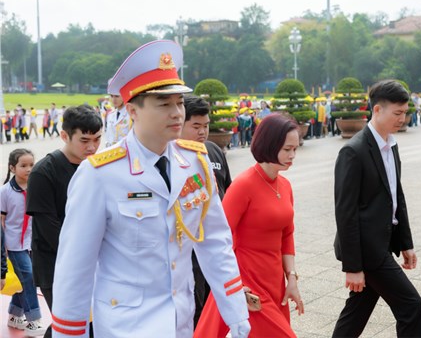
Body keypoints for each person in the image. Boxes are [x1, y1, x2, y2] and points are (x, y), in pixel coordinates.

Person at [50, 40, 249, 338]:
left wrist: (236, 314)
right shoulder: (99, 175)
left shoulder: (195, 163)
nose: (177, 113)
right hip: (125, 327)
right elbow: (75, 268)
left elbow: (215, 243)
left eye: (179, 102)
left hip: (181, 320)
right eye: (164, 104)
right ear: (133, 110)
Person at [196, 113, 304, 338]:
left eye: (295, 149)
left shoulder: (285, 185)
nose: (293, 155)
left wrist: (291, 278)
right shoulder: (243, 185)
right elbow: (219, 238)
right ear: (269, 144)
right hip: (248, 281)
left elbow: (287, 235)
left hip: (275, 280)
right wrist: (233, 285)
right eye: (287, 149)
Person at [332, 79, 421, 337]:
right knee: (411, 306)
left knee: (357, 312)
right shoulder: (353, 151)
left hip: (382, 243)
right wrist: (353, 267)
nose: (402, 118)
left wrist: (405, 242)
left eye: (405, 112)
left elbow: (396, 196)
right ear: (377, 110)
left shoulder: (390, 145)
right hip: (367, 249)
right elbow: (345, 213)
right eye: (397, 113)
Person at [26, 105, 103, 338]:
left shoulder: (98, 168)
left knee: (90, 326)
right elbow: (48, 228)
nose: (92, 147)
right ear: (64, 136)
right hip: (55, 264)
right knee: (70, 324)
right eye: (84, 140)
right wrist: (84, 258)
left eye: (97, 139)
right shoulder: (43, 172)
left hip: (95, 263)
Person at [181, 95, 233, 325]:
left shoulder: (213, 151)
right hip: (188, 248)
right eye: (196, 126)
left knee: (216, 304)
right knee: (194, 305)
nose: (202, 132)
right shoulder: (174, 158)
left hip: (214, 242)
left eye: (206, 125)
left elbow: (227, 190)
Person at [1, 148, 45, 336]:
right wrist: (3, 249)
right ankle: (34, 321)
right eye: (23, 165)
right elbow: (1, 221)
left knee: (24, 278)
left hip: (31, 242)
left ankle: (15, 315)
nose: (29, 169)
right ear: (12, 168)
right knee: (29, 278)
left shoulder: (36, 187)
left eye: (31, 165)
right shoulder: (5, 192)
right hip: (13, 245)